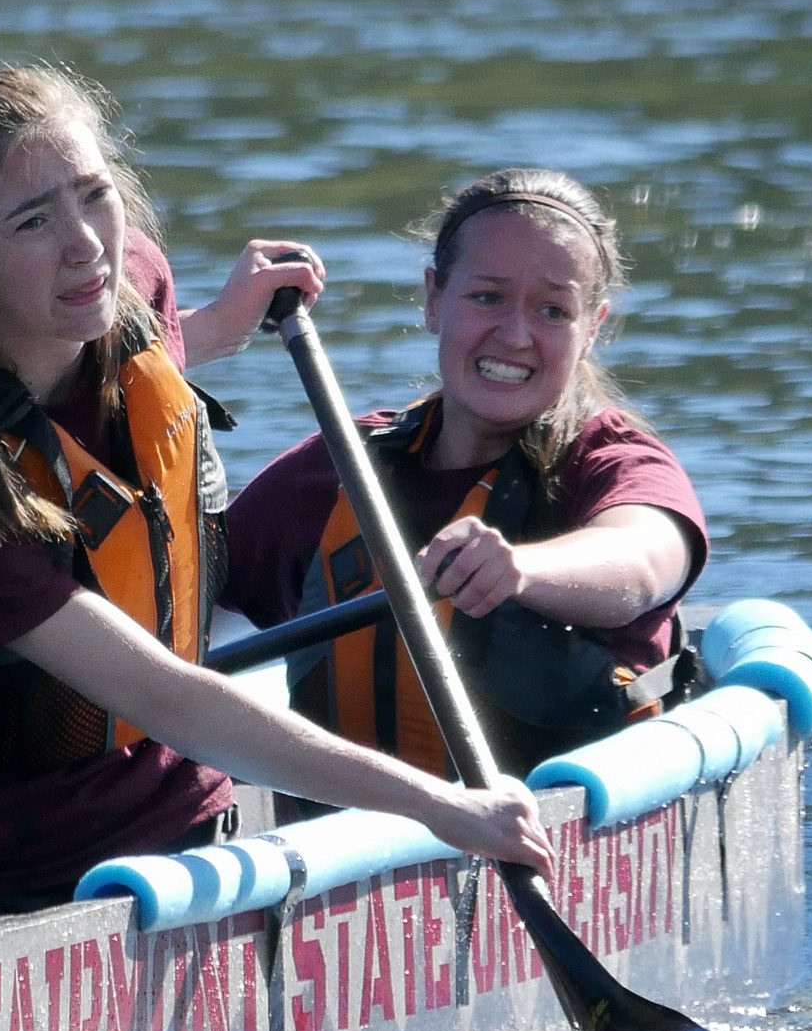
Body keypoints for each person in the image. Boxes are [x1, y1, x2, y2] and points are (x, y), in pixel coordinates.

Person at [0, 66, 549, 922]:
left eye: (94, 194)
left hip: (173, 821)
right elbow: (169, 699)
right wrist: (440, 806)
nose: (87, 245)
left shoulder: (126, 283)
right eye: (33, 221)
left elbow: (139, 359)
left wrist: (226, 321)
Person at [223, 168, 706, 775]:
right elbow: (181, 590)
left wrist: (520, 570)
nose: (516, 335)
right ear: (433, 299)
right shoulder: (336, 468)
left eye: (554, 310)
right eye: (486, 297)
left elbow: (641, 563)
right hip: (347, 840)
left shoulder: (613, 461)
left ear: (593, 329)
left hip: (536, 836)